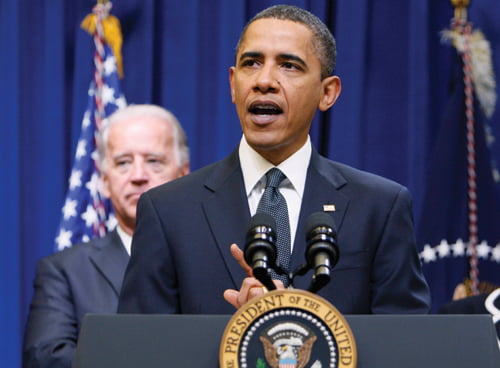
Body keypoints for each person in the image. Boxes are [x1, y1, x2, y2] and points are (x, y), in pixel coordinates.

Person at [118, 5, 430, 315]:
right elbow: (139, 348)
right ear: (232, 84)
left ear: (328, 92)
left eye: (289, 66)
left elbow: (406, 345)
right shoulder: (168, 210)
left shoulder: (380, 207)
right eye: (251, 63)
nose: (264, 80)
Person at [23, 104, 190, 368]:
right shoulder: (64, 271)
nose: (138, 176)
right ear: (104, 181)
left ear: (183, 174)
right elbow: (44, 359)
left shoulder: (214, 254)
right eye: (123, 162)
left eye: (153, 161)